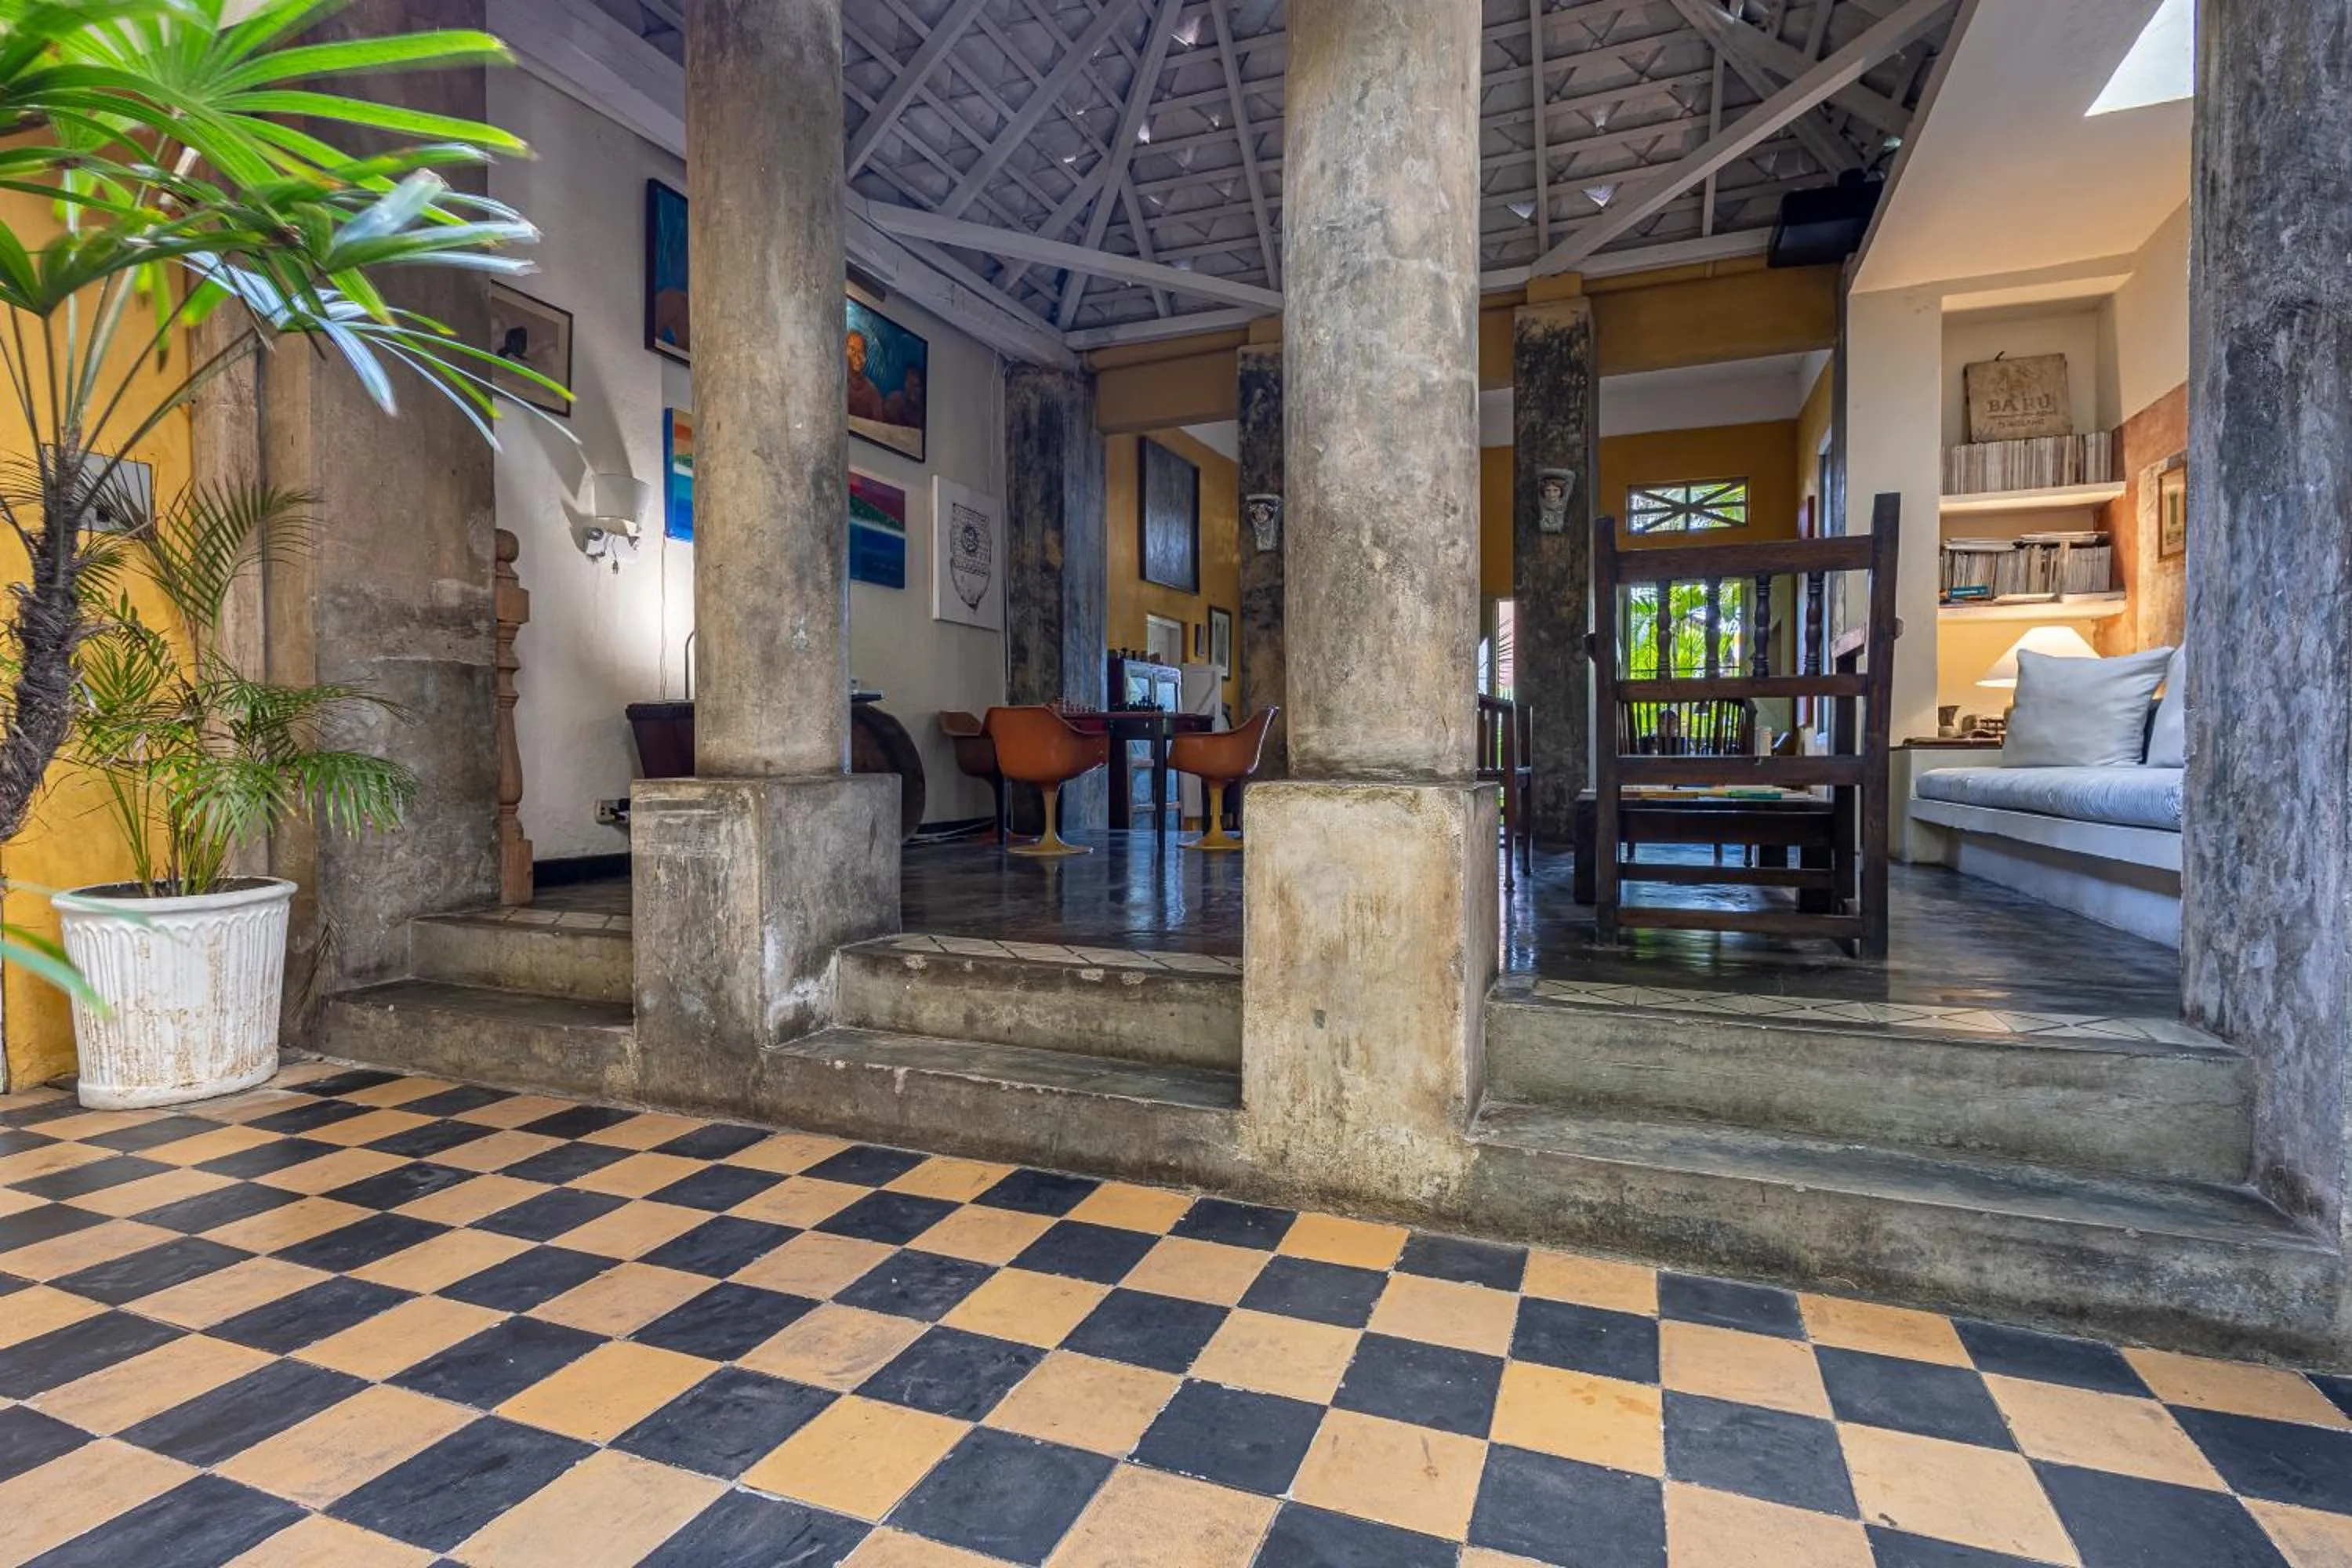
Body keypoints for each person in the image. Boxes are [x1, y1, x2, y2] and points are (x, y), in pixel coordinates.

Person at [846, 330, 887, 421]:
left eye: (861, 352)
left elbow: (879, 429)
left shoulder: (872, 392)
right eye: (852, 349)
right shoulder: (834, 382)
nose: (857, 356)